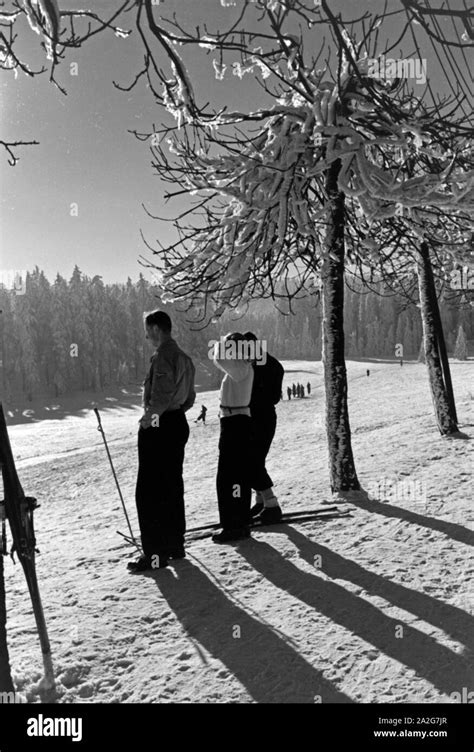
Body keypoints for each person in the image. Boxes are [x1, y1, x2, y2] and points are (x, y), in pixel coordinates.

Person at [128, 310, 195, 572]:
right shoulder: (184, 358)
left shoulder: (165, 356)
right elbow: (189, 398)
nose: (146, 336)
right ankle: (174, 544)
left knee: (148, 492)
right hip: (177, 421)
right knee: (171, 485)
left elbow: (161, 397)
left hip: (161, 425)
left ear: (156, 329)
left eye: (147, 330)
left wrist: (149, 421)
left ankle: (155, 553)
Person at [212, 332, 254, 543]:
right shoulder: (241, 366)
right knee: (237, 476)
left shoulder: (241, 367)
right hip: (236, 420)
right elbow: (220, 360)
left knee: (228, 477)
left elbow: (218, 358)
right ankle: (239, 522)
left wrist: (222, 342)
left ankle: (233, 524)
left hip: (234, 422)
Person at [244, 332, 284, 525]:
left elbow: (271, 396)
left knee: (252, 461)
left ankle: (271, 503)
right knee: (256, 459)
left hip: (260, 417)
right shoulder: (271, 363)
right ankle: (261, 500)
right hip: (262, 416)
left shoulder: (262, 366)